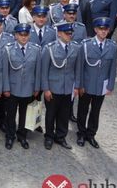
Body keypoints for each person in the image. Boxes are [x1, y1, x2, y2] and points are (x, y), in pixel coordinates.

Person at [76, 17, 117, 149]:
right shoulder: (86, 45)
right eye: (101, 29)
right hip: (87, 85)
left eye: (106, 29)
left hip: (101, 86)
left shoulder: (112, 46)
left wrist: (110, 85)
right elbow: (80, 67)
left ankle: (91, 134)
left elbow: (113, 68)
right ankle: (81, 133)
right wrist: (80, 85)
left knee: (96, 111)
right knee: (83, 110)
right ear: (95, 29)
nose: (103, 32)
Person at [41, 22, 81, 150]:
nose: (69, 35)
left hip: (67, 87)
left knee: (64, 114)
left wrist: (76, 86)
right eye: (66, 33)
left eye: (70, 33)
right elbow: (44, 71)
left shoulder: (76, 48)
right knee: (51, 114)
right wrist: (46, 89)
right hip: (53, 87)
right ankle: (49, 136)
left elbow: (78, 69)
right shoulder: (49, 48)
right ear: (59, 33)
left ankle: (60, 136)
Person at [1, 23, 41, 150]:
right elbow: (5, 71)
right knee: (10, 115)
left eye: (26, 35)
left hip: (28, 89)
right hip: (13, 88)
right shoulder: (8, 49)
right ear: (16, 35)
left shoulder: (36, 49)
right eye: (21, 35)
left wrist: (36, 88)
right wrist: (6, 88)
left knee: (25, 114)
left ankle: (22, 135)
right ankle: (10, 136)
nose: (24, 37)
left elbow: (38, 71)